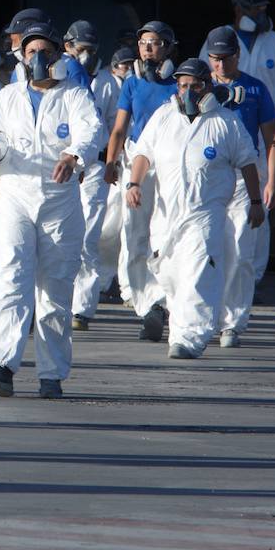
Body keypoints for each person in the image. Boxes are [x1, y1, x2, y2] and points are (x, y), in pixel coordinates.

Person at [0, 21, 103, 398]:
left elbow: (90, 132)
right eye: (31, 52)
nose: (39, 58)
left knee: (54, 290)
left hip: (60, 201)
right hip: (14, 194)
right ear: (22, 57)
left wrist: (73, 155)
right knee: (11, 279)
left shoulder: (74, 95)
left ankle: (51, 372)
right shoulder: (8, 96)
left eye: (45, 51)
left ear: (59, 55)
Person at [124, 58, 265, 358]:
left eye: (195, 85)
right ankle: (180, 327)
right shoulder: (164, 117)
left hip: (205, 214)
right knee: (171, 276)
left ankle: (190, 338)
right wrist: (134, 184)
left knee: (198, 274)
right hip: (166, 217)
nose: (188, 91)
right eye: (183, 85)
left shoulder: (226, 122)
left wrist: (255, 202)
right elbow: (143, 154)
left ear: (208, 87)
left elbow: (249, 162)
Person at [203, 26, 275, 347]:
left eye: (226, 59)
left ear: (237, 56)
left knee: (240, 249)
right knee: (204, 249)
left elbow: (271, 140)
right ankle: (203, 316)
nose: (220, 66)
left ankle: (232, 323)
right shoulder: (199, 87)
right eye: (214, 59)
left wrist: (272, 181)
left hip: (245, 176)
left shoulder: (256, 89)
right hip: (206, 176)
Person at [103, 21, 180, 340]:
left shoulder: (179, 83)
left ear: (169, 48)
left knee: (166, 233)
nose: (148, 47)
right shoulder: (132, 83)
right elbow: (120, 128)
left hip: (169, 162)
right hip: (136, 161)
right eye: (144, 42)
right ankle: (148, 305)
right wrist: (110, 161)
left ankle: (171, 300)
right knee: (134, 233)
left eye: (156, 42)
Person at [69, 21, 121, 329]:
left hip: (96, 166)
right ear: (68, 47)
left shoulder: (107, 82)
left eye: (90, 50)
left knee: (88, 235)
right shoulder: (60, 81)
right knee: (61, 235)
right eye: (80, 49)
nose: (86, 55)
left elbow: (117, 125)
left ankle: (83, 308)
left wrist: (112, 161)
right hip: (66, 166)